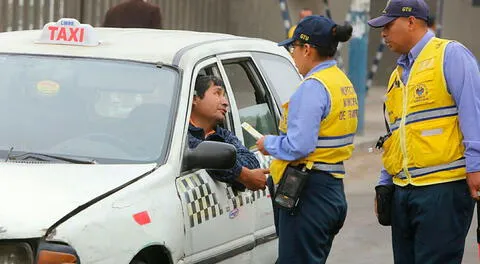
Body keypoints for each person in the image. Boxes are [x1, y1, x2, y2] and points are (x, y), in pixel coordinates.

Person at [368, 0, 480, 263]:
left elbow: (473, 112)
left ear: (411, 22)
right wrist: (385, 182)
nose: (383, 33)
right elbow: (397, 133)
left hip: (443, 190)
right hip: (404, 190)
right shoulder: (398, 73)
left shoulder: (450, 55)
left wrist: (475, 166)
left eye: (388, 25)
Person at [256, 15, 357, 264]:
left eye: (294, 48)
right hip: (330, 187)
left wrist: (267, 144)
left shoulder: (313, 87)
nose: (292, 55)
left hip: (308, 190)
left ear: (307, 49)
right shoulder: (342, 82)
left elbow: (299, 146)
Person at [188, 75, 268, 191]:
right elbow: (198, 150)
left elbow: (252, 163)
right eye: (217, 93)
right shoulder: (181, 136)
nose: (225, 102)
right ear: (194, 99)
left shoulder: (224, 135)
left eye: (224, 96)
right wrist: (242, 175)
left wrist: (238, 172)